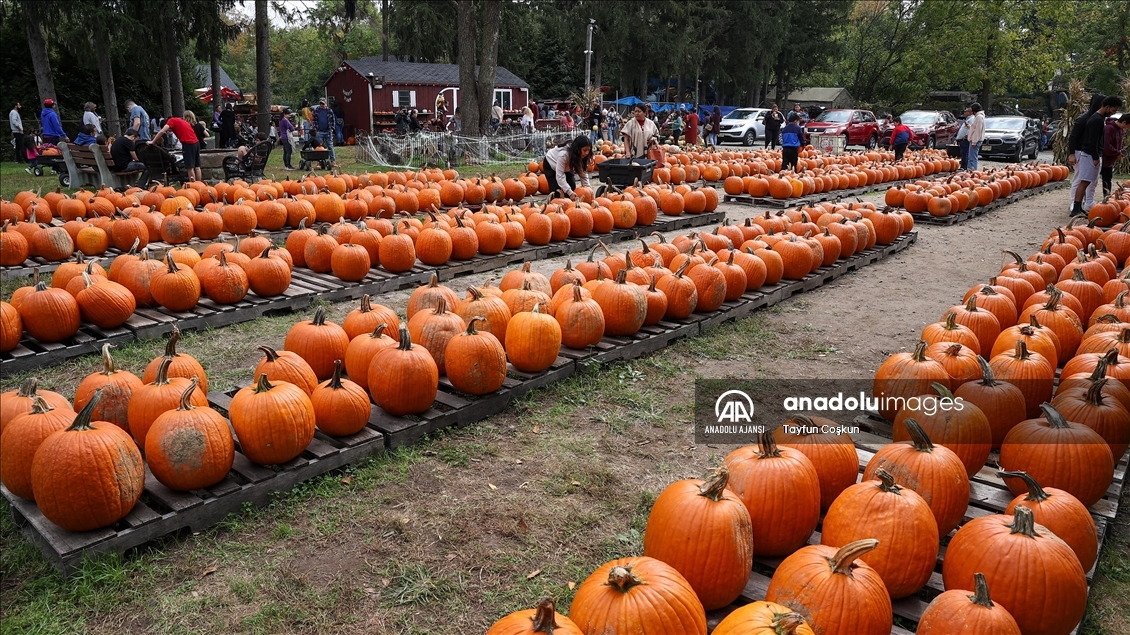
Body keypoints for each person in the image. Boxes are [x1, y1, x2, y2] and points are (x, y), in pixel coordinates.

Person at [1072, 96, 1123, 217]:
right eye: (1113, 110)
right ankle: (1076, 208)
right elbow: (1092, 141)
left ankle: (1079, 207)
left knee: (1087, 181)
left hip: (1091, 154)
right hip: (1089, 155)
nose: (1113, 113)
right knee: (1084, 181)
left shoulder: (1099, 119)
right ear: (1107, 107)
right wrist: (1095, 156)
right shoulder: (1096, 120)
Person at [1068, 94, 1106, 214]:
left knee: (1091, 180)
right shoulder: (1084, 119)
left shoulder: (1099, 118)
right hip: (1081, 151)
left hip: (1092, 151)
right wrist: (1072, 153)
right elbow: (1073, 137)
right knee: (1080, 179)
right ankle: (1074, 203)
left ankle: (1089, 202)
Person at [151, 112, 202, 181]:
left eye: (168, 130)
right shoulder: (179, 120)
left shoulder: (171, 121)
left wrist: (152, 142)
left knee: (190, 167)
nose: (169, 131)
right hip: (196, 143)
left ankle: (193, 185)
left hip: (188, 144)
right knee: (197, 167)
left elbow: (162, 131)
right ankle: (199, 184)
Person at [1102, 113, 1128, 198]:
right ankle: (1086, 200)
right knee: (1093, 181)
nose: (1128, 128)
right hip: (1103, 159)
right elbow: (1106, 146)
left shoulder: (1121, 130)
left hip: (1110, 160)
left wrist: (1120, 151)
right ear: (1124, 122)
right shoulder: (1109, 128)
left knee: (1108, 179)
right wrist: (1117, 152)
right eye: (1128, 126)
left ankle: (1107, 197)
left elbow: (1118, 144)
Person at [312, 97, 336, 162]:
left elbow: (333, 120)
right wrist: (316, 130)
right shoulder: (316, 110)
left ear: (326, 103)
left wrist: (332, 129)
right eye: (320, 103)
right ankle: (320, 161)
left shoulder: (329, 111)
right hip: (320, 131)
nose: (322, 105)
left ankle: (332, 161)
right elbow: (314, 120)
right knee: (319, 147)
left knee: (330, 146)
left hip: (328, 131)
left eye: (323, 103)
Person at [966, 102, 985, 171]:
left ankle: (972, 171)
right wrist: (969, 127)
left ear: (974, 110)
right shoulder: (979, 117)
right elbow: (975, 128)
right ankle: (970, 170)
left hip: (975, 140)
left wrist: (974, 142)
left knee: (972, 157)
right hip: (975, 140)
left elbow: (978, 130)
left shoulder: (979, 117)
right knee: (971, 156)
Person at [955, 106, 973, 170]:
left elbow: (971, 129)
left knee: (965, 153)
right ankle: (963, 166)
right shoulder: (968, 119)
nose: (964, 113)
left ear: (970, 112)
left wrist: (967, 136)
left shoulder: (971, 119)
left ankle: (964, 167)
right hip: (962, 139)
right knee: (963, 153)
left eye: (965, 112)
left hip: (965, 139)